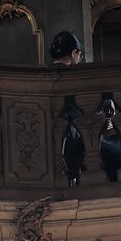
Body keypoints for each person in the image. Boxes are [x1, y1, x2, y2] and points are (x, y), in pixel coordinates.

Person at [51, 31, 87, 186]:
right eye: (79, 54)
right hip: (71, 143)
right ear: (74, 53)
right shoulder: (74, 79)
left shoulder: (43, 76)